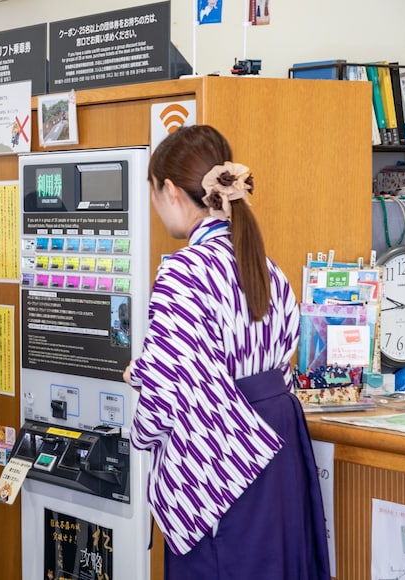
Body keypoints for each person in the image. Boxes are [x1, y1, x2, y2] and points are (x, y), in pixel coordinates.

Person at [122, 126, 329, 579]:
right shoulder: (266, 266)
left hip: (219, 458)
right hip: (278, 448)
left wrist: (137, 431)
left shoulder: (184, 269)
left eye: (155, 194)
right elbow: (276, 360)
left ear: (171, 191)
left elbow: (164, 397)